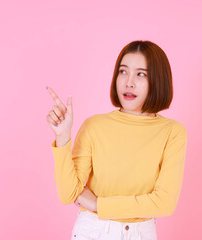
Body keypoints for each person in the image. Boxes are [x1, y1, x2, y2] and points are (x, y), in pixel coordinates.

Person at [46, 40, 188, 240]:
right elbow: (69, 194)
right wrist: (62, 137)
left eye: (141, 74)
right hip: (93, 231)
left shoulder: (172, 132)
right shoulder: (94, 126)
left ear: (158, 80)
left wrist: (98, 205)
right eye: (123, 72)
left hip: (140, 234)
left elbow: (164, 203)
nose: (128, 82)